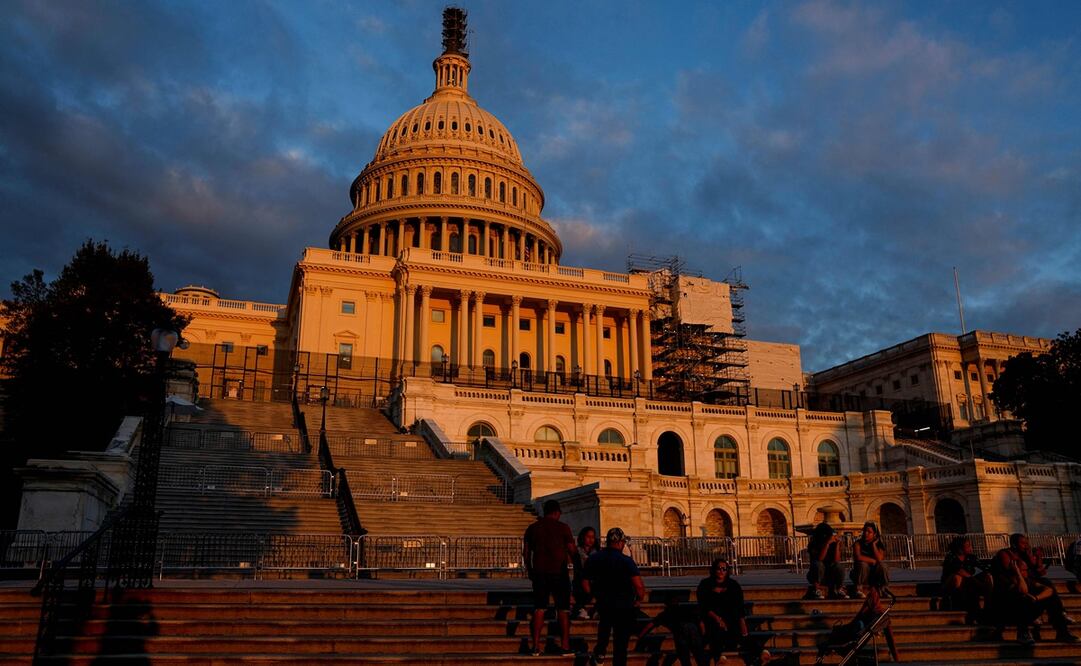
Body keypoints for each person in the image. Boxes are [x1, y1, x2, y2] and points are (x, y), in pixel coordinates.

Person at [991, 534, 1077, 643]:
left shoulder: (1025, 555)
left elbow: (1040, 571)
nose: (1026, 546)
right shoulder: (1005, 554)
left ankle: (1062, 629)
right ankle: (1023, 632)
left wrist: (1037, 557)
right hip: (1010, 594)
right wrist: (1019, 571)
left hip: (1027, 587)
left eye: (1027, 543)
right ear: (1014, 544)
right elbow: (1014, 576)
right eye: (1023, 543)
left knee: (1047, 587)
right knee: (1023, 597)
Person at [583, 527, 646, 666]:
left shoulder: (594, 558)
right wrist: (639, 599)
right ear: (620, 543)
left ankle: (600, 652)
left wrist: (592, 596)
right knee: (621, 643)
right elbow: (639, 586)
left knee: (604, 630)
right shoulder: (626, 561)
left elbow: (585, 582)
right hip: (624, 606)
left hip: (604, 603)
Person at [522, 499, 577, 656]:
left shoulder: (532, 528)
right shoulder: (563, 528)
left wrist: (530, 570)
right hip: (559, 573)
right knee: (563, 610)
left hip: (539, 572)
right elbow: (572, 550)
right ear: (557, 512)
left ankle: (536, 646)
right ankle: (565, 646)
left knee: (539, 609)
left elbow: (526, 553)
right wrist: (579, 568)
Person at [697, 558, 769, 665]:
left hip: (730, 619)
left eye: (724, 569)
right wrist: (718, 619)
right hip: (712, 618)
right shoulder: (705, 585)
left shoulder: (733, 585)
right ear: (714, 570)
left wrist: (742, 622)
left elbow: (739, 606)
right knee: (715, 630)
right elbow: (704, 606)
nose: (721, 571)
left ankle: (760, 652)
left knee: (741, 633)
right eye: (719, 568)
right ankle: (719, 657)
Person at [817, 584, 899, 663]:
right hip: (856, 632)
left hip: (854, 632)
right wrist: (896, 658)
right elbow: (890, 639)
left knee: (847, 631)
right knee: (852, 629)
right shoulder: (878, 615)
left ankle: (827, 646)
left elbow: (858, 618)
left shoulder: (875, 614)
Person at [637, 597, 708, 666]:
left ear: (666, 604)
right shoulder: (686, 610)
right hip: (693, 630)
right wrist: (703, 635)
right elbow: (701, 623)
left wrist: (641, 636)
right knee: (700, 657)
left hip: (680, 632)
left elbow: (650, 625)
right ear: (678, 603)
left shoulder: (665, 614)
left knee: (684, 658)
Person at [940, 536, 993, 624]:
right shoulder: (951, 557)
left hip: (969, 582)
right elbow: (958, 570)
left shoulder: (971, 557)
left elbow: (983, 567)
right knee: (958, 576)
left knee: (988, 576)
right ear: (960, 548)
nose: (970, 548)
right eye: (968, 546)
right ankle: (957, 600)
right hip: (953, 584)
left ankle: (989, 605)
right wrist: (974, 580)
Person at [806, 522, 846, 600]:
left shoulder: (833, 543)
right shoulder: (813, 544)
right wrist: (827, 544)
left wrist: (837, 545)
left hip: (829, 574)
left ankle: (839, 588)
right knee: (818, 564)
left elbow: (837, 560)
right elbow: (820, 558)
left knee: (839, 566)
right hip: (816, 575)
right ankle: (817, 589)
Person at [851, 521, 889, 597]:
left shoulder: (879, 545)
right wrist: (872, 561)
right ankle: (859, 589)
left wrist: (874, 545)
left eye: (869, 532)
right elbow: (858, 557)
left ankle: (883, 588)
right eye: (865, 531)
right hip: (861, 574)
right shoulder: (858, 543)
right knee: (863, 564)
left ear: (874, 534)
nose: (866, 533)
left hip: (874, 573)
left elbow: (879, 559)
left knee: (883, 565)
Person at [572, 526, 600, 620]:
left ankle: (595, 610)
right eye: (588, 537)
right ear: (583, 537)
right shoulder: (577, 551)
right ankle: (582, 609)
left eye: (592, 537)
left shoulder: (597, 552)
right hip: (581, 579)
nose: (591, 540)